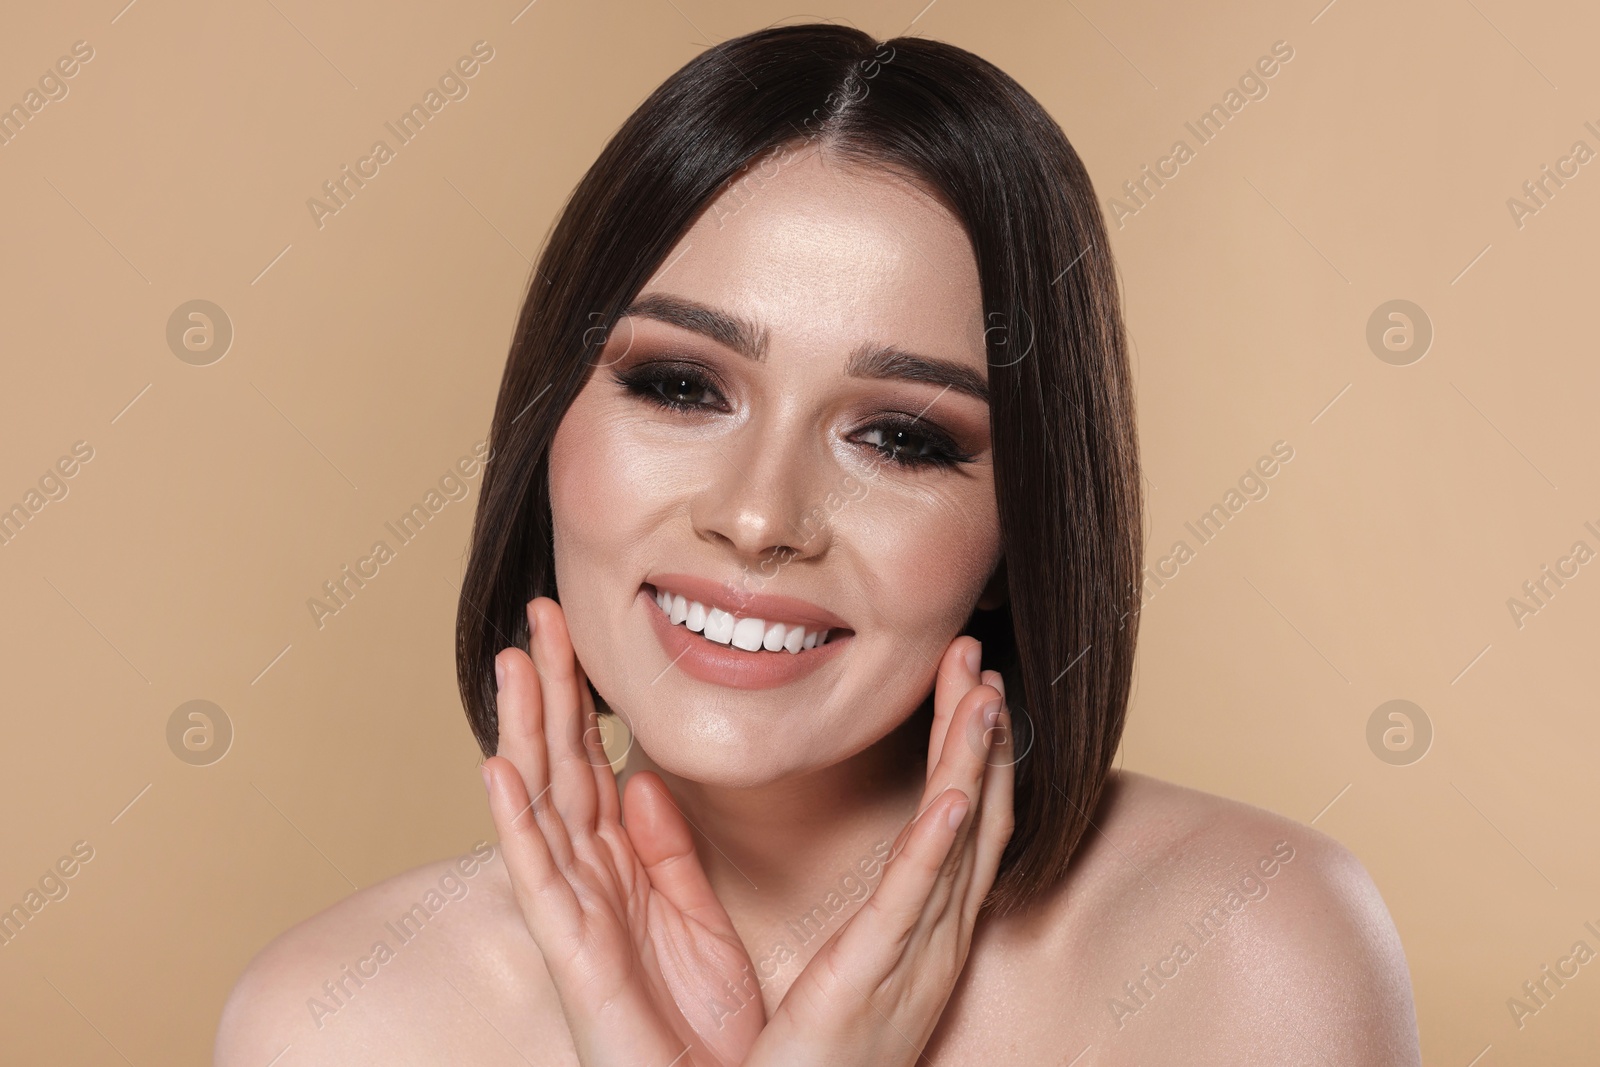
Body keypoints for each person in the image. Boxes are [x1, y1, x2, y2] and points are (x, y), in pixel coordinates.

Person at [216, 23, 1421, 1065]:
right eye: (683, 384)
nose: (757, 517)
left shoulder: (1247, 948)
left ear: (1019, 527)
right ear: (550, 423)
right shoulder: (337, 1023)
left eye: (898, 436)